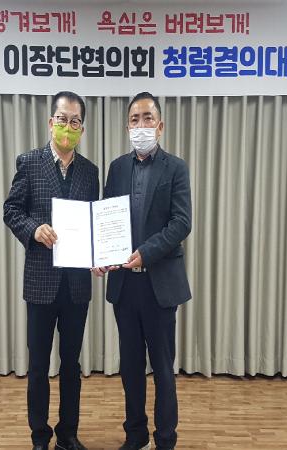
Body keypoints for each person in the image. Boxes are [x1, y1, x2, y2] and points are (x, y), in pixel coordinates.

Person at [93, 92, 192, 450]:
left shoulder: (176, 168)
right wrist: (101, 254)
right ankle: (135, 436)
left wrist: (145, 254)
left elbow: (181, 223)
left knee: (163, 369)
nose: (141, 125)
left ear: (160, 126)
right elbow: (106, 218)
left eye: (147, 118)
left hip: (159, 285)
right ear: (127, 127)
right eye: (134, 119)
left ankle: (165, 439)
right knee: (131, 367)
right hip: (124, 286)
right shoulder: (117, 168)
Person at [4, 91, 99, 450]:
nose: (68, 127)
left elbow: (93, 224)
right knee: (38, 364)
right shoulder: (29, 163)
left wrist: (98, 253)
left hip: (77, 285)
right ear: (50, 122)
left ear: (82, 129)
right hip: (41, 283)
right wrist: (33, 229)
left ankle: (68, 434)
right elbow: (12, 210)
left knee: (72, 364)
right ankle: (40, 436)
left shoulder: (90, 172)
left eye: (75, 122)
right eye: (62, 119)